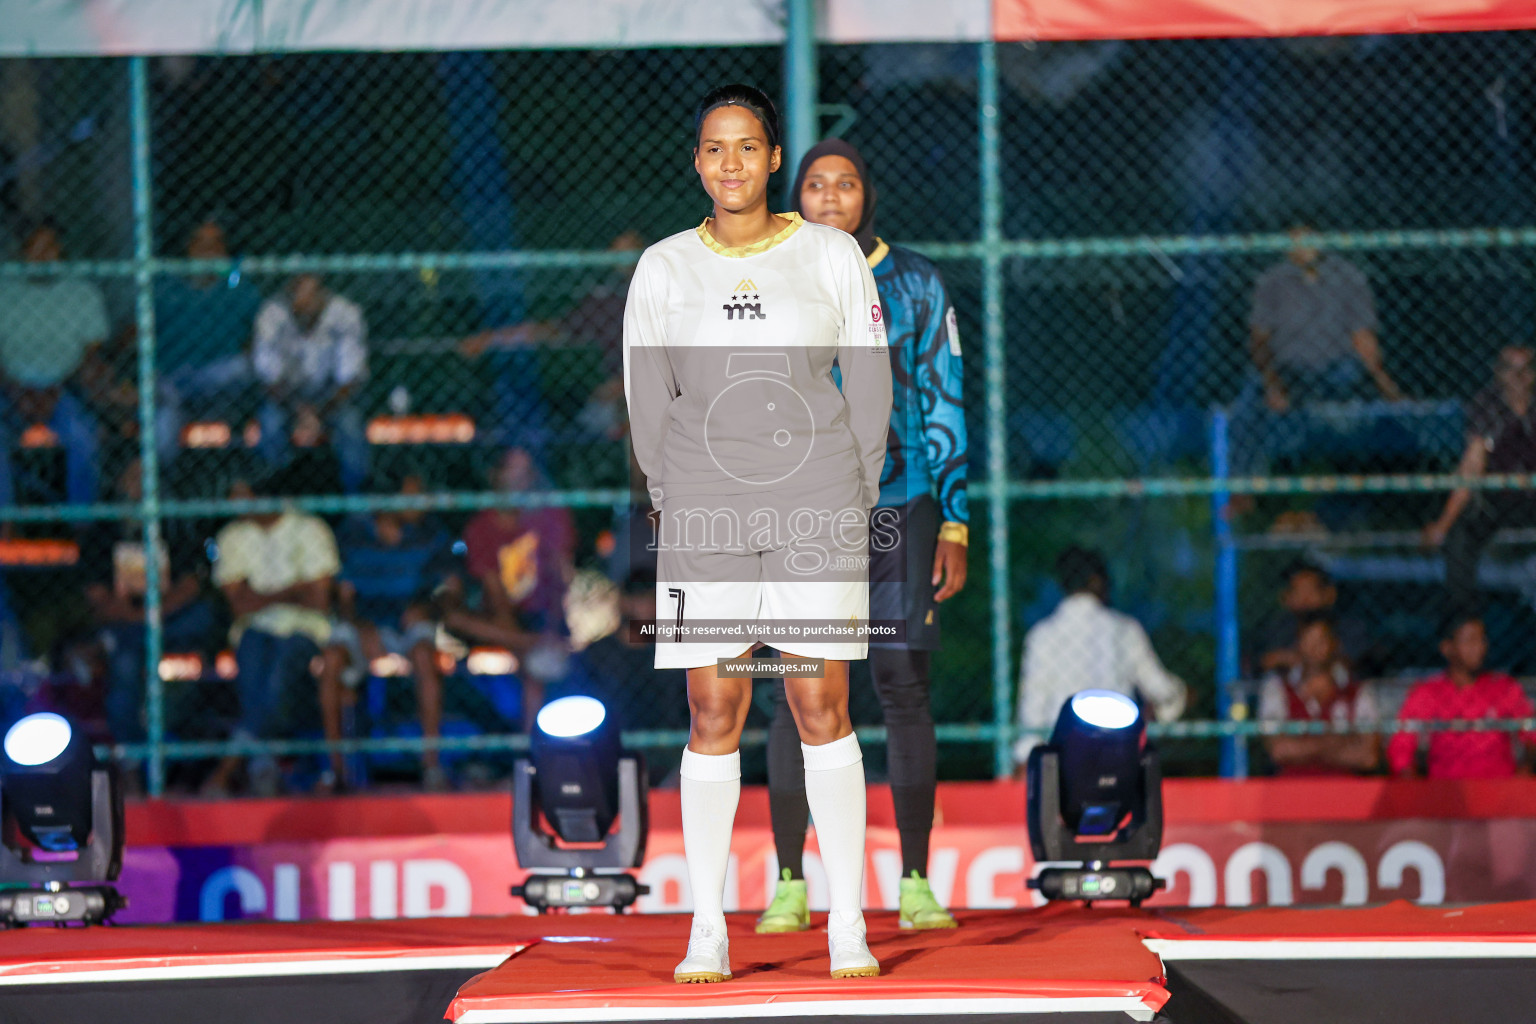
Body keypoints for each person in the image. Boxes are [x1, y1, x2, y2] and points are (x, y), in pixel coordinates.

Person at [624, 85, 891, 982]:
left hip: (816, 500)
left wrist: (853, 492)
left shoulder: (829, 253)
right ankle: (707, 928)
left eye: (747, 147)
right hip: (706, 509)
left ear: (774, 159)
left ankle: (846, 923)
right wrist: (674, 493)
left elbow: (869, 382)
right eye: (713, 148)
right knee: (714, 710)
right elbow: (646, 400)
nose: (730, 163)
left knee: (820, 706)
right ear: (696, 161)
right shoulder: (663, 266)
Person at [760, 139, 967, 934]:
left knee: (901, 684)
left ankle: (915, 881)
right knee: (796, 690)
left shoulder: (914, 282)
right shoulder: (768, 280)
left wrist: (954, 515)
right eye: (816, 185)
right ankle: (789, 881)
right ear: (797, 198)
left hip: (902, 505)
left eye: (846, 184)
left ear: (866, 196)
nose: (832, 197)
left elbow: (945, 396)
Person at [204, 476, 339, 796]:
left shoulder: (309, 528)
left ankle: (232, 769)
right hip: (253, 630)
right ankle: (264, 765)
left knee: (276, 687)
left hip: (305, 629)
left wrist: (260, 595)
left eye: (242, 494)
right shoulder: (232, 535)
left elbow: (319, 602)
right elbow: (239, 606)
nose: (235, 504)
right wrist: (294, 589)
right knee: (255, 682)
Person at [321, 474, 457, 792]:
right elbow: (341, 598)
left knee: (425, 655)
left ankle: (431, 765)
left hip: (408, 621)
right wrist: (358, 625)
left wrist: (429, 607)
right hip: (362, 623)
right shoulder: (353, 534)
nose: (421, 503)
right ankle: (335, 770)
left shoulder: (431, 533)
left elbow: (452, 590)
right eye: (411, 496)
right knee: (331, 658)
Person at [1231, 221, 1400, 473]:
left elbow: (1363, 339)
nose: (1303, 247)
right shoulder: (1271, 282)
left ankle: (1362, 487)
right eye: (1295, 239)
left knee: (1352, 390)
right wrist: (1272, 382)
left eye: (1308, 238)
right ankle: (1243, 486)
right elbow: (1259, 341)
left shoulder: (1349, 277)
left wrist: (1384, 382)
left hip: (1337, 369)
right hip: (1289, 369)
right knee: (1247, 402)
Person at [84, 458, 218, 775]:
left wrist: (156, 613)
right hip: (126, 622)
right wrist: (138, 616)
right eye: (133, 477)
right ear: (119, 483)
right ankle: (132, 756)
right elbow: (97, 596)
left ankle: (178, 756)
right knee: (126, 666)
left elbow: (190, 584)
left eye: (147, 478)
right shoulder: (103, 529)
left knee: (202, 624)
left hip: (171, 618)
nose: (140, 486)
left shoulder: (174, 524)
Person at [460, 230, 643, 443]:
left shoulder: (665, 295)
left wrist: (623, 386)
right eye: (618, 253)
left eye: (630, 252)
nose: (624, 260)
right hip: (615, 398)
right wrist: (491, 338)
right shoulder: (605, 300)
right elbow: (553, 330)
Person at [1013, 547, 1187, 768]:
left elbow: (1033, 708)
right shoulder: (1124, 630)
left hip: (1061, 757)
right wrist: (1177, 696)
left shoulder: (1041, 635)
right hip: (1117, 751)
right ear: (1097, 581)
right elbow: (1161, 690)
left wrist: (1024, 756)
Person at [442, 447, 576, 729]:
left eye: (526, 472)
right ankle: (533, 646)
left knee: (535, 672)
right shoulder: (481, 527)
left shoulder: (550, 516)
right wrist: (524, 641)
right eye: (512, 471)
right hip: (500, 619)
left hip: (541, 613)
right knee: (455, 618)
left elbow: (560, 579)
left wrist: (554, 624)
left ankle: (531, 758)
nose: (520, 481)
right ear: (495, 476)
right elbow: (496, 595)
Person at [0, 220, 108, 505]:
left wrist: (57, 388)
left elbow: (92, 354)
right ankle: (4, 528)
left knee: (83, 437)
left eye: (50, 247)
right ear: (23, 253)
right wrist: (15, 389)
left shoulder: (82, 293)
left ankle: (82, 526)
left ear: (61, 251)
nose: (43, 255)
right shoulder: (4, 290)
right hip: (9, 390)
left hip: (64, 389)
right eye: (35, 248)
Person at [1424, 346, 1536, 612]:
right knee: (1460, 537)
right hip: (1499, 500)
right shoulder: (1487, 405)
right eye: (1511, 369)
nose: (1519, 377)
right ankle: (1465, 620)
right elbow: (1471, 466)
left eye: (1526, 369)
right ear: (1498, 373)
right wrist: (1443, 524)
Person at [152, 219, 264, 463]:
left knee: (243, 367)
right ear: (188, 249)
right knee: (163, 421)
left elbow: (257, 339)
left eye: (214, 245)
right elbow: (140, 335)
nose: (207, 252)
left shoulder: (239, 289)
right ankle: (160, 488)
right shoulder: (166, 289)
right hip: (174, 377)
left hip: (217, 377)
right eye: (200, 244)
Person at [252, 274, 369, 492]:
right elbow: (269, 379)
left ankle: (356, 501)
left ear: (322, 295)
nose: (304, 306)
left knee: (351, 425)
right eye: (297, 298)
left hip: (331, 395)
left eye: (311, 297)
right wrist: (299, 412)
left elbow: (350, 379)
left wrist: (319, 413)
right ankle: (276, 494)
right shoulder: (272, 314)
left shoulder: (345, 313)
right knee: (270, 423)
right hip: (287, 395)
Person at [1387, 612, 1536, 779]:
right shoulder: (1429, 691)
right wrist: (1414, 789)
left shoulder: (1504, 688)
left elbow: (1532, 735)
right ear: (1447, 648)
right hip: (1445, 793)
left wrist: (1524, 774)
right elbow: (1401, 747)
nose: (1479, 647)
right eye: (1470, 640)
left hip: (1499, 791)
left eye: (1482, 640)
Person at [1257, 614, 1379, 775]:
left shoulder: (1358, 691)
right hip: (1291, 791)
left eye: (1321, 640)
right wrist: (1335, 743)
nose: (1314, 648)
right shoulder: (1277, 689)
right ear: (1297, 645)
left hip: (1346, 791)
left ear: (1335, 644)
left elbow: (1367, 757)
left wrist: (1303, 748)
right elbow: (1279, 751)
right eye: (1308, 641)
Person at [1248, 560, 1371, 678]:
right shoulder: (1276, 628)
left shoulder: (1350, 627)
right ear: (1286, 598)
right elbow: (1264, 662)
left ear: (1329, 594)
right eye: (1298, 592)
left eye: (1311, 591)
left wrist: (1303, 661)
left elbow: (1357, 662)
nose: (1305, 599)